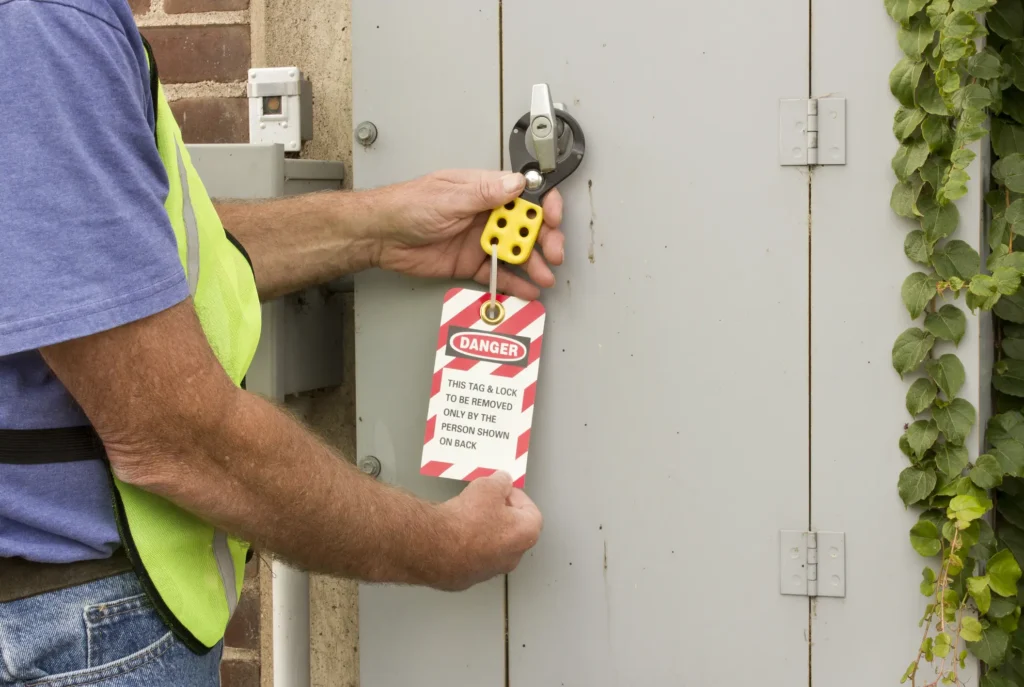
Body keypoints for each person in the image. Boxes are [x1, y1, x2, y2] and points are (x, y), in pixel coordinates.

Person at [0, 1, 563, 684]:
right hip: (79, 633)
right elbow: (177, 436)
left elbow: (130, 265)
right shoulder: (41, 25)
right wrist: (441, 547)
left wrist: (382, 229)